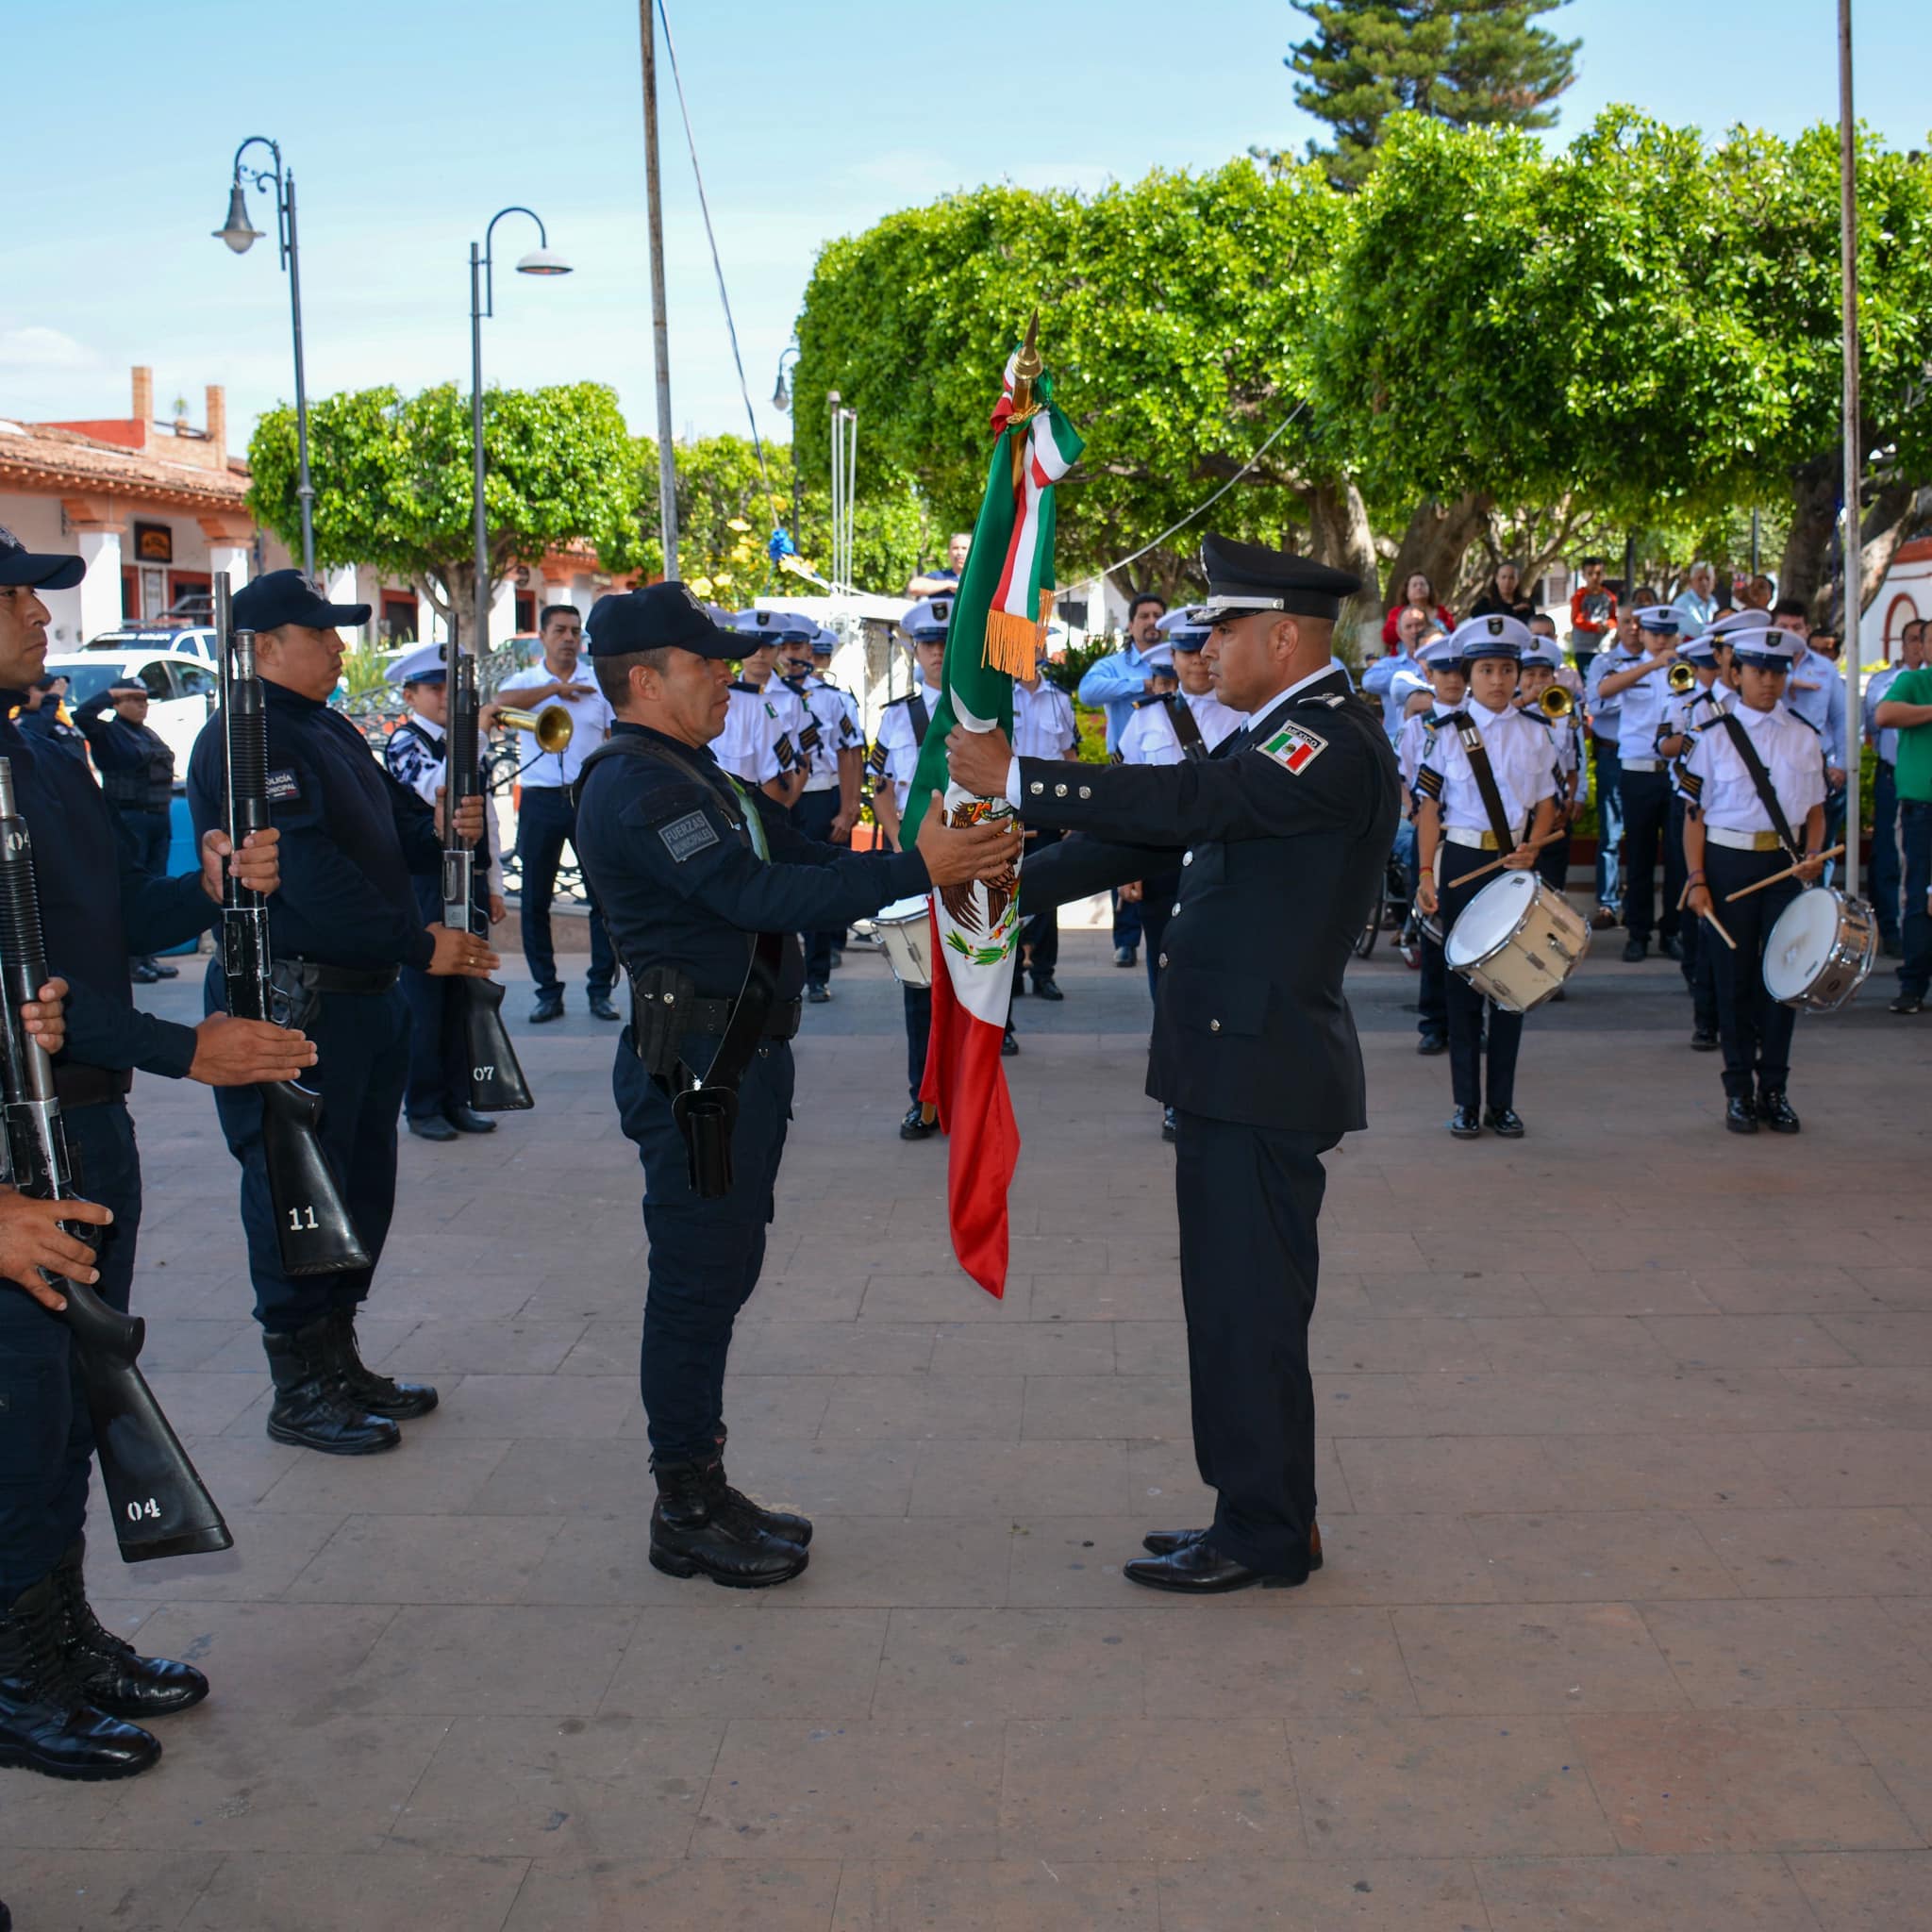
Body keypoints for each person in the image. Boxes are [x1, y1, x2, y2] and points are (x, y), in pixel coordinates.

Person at [946, 533, 1397, 1595]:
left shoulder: (1321, 742)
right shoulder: (1277, 736)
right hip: (1236, 1065)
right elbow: (1149, 838)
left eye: (1224, 629)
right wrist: (1002, 895)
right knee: (1236, 1301)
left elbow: (1187, 809)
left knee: (1246, 1307)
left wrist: (1022, 778)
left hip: (1256, 1069)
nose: (1206, 648)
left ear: (1282, 637)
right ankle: (1261, 1508)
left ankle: (1262, 1531)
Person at [571, 582, 1015, 1589]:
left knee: (720, 1271)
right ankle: (682, 1502)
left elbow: (799, 853)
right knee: (695, 1283)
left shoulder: (691, 772)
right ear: (645, 679)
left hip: (732, 1060)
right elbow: (753, 893)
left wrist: (918, 854)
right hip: (696, 1072)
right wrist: (918, 869)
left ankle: (702, 1480)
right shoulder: (636, 786)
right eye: (706, 662)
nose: (729, 674)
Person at [0, 524, 303, 1784]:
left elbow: (104, 926)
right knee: (18, 1423)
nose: (37, 615)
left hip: (86, 1122)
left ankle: (63, 1636)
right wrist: (193, 1051)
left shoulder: (37, 749)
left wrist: (214, 885)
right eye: (15, 595)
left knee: (74, 1406)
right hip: (17, 1145)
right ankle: (18, 1675)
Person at [187, 569, 497, 1457]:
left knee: (358, 1190)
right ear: (262, 648)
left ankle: (339, 1357)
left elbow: (398, 826)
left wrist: (447, 828)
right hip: (296, 997)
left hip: (358, 1000)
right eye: (319, 632)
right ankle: (300, 1384)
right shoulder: (248, 739)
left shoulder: (321, 727)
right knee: (295, 1190)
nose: (337, 646)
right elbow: (311, 874)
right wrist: (416, 943)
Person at [1413, 616, 1560, 1139]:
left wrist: (1532, 848)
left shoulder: (1536, 734)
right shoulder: (1445, 734)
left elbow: (1547, 803)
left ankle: (1502, 1103)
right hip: (1461, 865)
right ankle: (1465, 1105)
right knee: (1462, 985)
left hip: (1514, 868)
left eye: (1506, 668)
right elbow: (1427, 809)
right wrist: (1427, 871)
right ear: (1468, 674)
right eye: (1486, 669)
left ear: (1519, 673)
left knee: (1512, 987)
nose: (1497, 679)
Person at [1681, 627, 1828, 1132]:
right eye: (1759, 672)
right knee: (1733, 977)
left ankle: (1775, 1089)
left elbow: (1815, 812)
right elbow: (1694, 817)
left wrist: (1813, 857)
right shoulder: (1711, 736)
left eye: (1778, 672)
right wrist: (1697, 878)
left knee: (1784, 978)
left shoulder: (1804, 735)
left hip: (1784, 868)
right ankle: (1739, 1089)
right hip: (1728, 865)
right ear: (1736, 674)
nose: (1769, 682)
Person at [1113, 608, 1248, 1136]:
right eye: (1185, 651)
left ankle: (1217, 1084)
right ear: (1171, 657)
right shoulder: (1148, 716)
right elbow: (1126, 798)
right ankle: (1175, 1091)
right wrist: (1127, 865)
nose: (1196, 661)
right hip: (1161, 862)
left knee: (1219, 975)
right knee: (1166, 982)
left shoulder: (1245, 716)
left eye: (1203, 647)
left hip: (1222, 863)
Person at [382, 645, 508, 1141]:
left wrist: (493, 884)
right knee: (425, 1000)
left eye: (448, 689)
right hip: (427, 885)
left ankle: (459, 1097)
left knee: (464, 997)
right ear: (410, 695)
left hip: (468, 880)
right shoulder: (404, 744)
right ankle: (425, 1105)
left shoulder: (464, 744)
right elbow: (440, 789)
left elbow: (486, 818)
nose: (443, 698)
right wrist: (472, 735)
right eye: (433, 689)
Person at [497, 603, 620, 1026]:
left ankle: (600, 989)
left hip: (587, 798)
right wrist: (553, 692)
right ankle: (547, 991)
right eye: (560, 631)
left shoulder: (597, 684)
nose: (569, 639)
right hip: (540, 800)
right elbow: (499, 704)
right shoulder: (526, 683)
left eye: (575, 631)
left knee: (602, 899)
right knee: (534, 900)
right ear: (543, 636)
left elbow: (611, 736)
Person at [869, 598, 955, 1133]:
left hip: (971, 866)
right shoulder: (896, 716)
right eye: (929, 644)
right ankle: (922, 1098)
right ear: (915, 651)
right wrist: (901, 841)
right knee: (920, 983)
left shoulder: (984, 711)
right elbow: (879, 787)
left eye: (948, 643)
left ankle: (966, 1094)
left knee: (975, 983)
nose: (939, 652)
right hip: (915, 866)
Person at [1077, 592, 1169, 966]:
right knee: (1126, 854)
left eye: (1158, 616)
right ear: (1130, 625)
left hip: (1168, 773)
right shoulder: (1113, 666)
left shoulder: (1179, 662)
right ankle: (1127, 939)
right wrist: (1144, 686)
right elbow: (1087, 692)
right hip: (1126, 773)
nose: (1151, 622)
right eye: (1144, 616)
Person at [1658, 625, 1738, 1050]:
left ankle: (1746, 1019)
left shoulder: (1776, 716)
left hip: (1749, 829)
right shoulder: (1694, 706)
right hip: (1699, 815)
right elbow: (1672, 755)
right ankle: (1706, 1015)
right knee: (1702, 915)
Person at [1595, 606, 1688, 961]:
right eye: (1655, 633)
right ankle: (1638, 933)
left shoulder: (1686, 670)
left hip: (1677, 774)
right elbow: (1603, 692)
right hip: (1637, 771)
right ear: (1643, 634)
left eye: (1667, 633)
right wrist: (1651, 665)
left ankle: (1671, 931)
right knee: (1639, 857)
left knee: (1678, 858)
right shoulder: (1629, 669)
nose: (1662, 640)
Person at [778, 624, 864, 1003]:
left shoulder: (832, 699)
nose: (789, 654)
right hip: (776, 799)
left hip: (817, 798)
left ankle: (816, 974)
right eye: (783, 646)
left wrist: (848, 811)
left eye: (797, 645)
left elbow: (849, 754)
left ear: (810, 651)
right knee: (776, 887)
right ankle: (778, 974)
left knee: (817, 884)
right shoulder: (763, 696)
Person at [74, 678, 180, 984]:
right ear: (117, 703)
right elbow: (82, 717)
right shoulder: (109, 733)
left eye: (144, 700)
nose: (141, 705)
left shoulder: (146, 733)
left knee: (155, 887)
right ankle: (132, 960)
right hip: (130, 820)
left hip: (158, 816)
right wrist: (108, 694)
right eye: (132, 699)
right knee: (133, 890)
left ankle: (147, 955)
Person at [1396, 635, 1467, 1056]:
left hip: (1464, 836)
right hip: (1427, 836)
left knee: (1472, 932)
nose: (1453, 681)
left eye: (1459, 672)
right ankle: (1433, 1021)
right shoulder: (1414, 727)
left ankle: (1467, 1024)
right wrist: (1413, 814)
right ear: (1430, 675)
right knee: (1433, 931)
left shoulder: (1477, 721)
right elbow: (1405, 779)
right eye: (1444, 673)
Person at [1009, 636, 1080, 1001]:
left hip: (1050, 807)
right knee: (1008, 893)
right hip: (1011, 809)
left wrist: (1080, 811)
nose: (1029, 653)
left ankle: (1043, 972)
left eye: (1034, 646)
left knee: (1048, 891)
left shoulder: (1059, 699)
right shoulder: (998, 696)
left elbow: (1070, 754)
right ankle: (1011, 976)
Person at [1874, 635, 1932, 1014]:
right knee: (1917, 896)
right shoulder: (1914, 682)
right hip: (1921, 808)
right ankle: (1913, 983)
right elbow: (1884, 715)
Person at [1864, 618, 1924, 958]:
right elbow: (1877, 717)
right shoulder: (1886, 681)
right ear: (1902, 644)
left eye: (1923, 640)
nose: (1919, 646)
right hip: (1894, 776)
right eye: (1914, 639)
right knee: (1888, 853)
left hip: (1922, 780)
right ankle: (1892, 929)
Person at [1515, 636, 1582, 902]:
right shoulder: (1508, 711)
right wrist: (1524, 700)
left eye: (1544, 674)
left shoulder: (1564, 710)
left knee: (1552, 890)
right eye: (1529, 674)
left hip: (1554, 810)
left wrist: (1568, 801)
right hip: (1518, 813)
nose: (1537, 681)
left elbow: (1572, 765)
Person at [1362, 605, 1431, 738]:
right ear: (1400, 633)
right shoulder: (1389, 664)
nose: (1414, 631)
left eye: (1419, 625)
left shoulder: (1439, 664)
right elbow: (1368, 681)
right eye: (1408, 627)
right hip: (1397, 743)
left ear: (1428, 627)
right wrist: (1409, 677)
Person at [16, 674, 86, 761]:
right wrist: (52, 699)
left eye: (52, 689)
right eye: (44, 689)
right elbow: (36, 730)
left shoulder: (56, 719)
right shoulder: (21, 723)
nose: (50, 693)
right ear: (25, 693)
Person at [1568, 556, 1617, 672]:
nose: (1594, 577)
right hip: (1584, 648)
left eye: (1598, 573)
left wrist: (1608, 625)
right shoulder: (1579, 596)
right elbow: (1576, 619)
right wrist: (1595, 627)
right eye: (1590, 574)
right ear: (1584, 575)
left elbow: (1613, 618)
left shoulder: (1610, 597)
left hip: (1604, 647)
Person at [1380, 570, 1453, 648]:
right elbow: (1387, 637)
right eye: (1414, 585)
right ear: (1406, 591)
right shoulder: (1397, 612)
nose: (1419, 587)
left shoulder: (1441, 610)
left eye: (1422, 584)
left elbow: (1453, 633)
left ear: (1429, 588)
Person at [906, 531, 972, 597]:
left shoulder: (978, 577)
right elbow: (914, 587)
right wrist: (948, 584)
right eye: (955, 548)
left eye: (964, 548)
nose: (959, 552)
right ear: (949, 553)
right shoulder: (939, 576)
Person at [1470, 559, 1538, 623]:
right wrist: (1512, 610)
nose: (1507, 582)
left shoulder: (1526, 604)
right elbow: (1476, 618)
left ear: (1517, 580)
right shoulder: (1485, 603)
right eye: (1503, 577)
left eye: (1511, 578)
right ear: (1496, 579)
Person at [1673, 562, 1719, 631]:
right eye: (1700, 579)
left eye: (1707, 578)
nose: (1704, 583)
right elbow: (1698, 631)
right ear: (1691, 581)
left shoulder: (1712, 601)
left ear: (1714, 582)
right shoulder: (1683, 603)